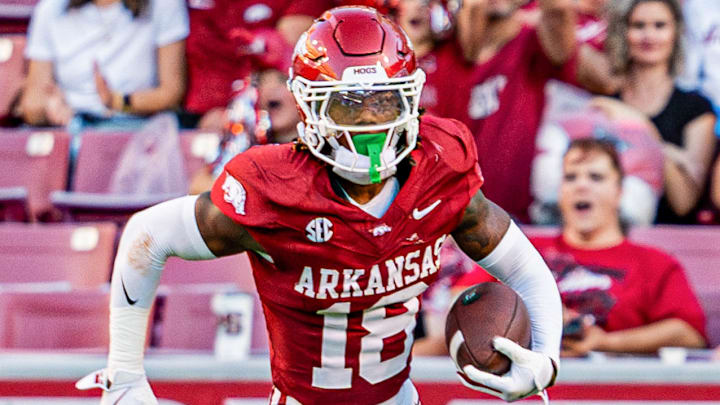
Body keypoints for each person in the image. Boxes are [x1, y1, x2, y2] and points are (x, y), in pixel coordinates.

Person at [75, 7, 563, 405]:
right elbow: (146, 236)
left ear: (410, 100)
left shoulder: (438, 166)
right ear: (310, 106)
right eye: (349, 104)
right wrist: (124, 373)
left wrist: (547, 358)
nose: (369, 124)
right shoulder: (273, 185)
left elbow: (524, 268)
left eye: (385, 103)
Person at [532, 138, 707, 357]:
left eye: (596, 177)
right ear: (560, 191)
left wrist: (604, 341)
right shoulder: (526, 251)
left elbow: (690, 334)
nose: (581, 185)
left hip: (617, 384)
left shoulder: (654, 263)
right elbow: (479, 302)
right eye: (570, 177)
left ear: (620, 191)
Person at [446, 0, 608, 223]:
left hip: (513, 218)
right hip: (449, 214)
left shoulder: (530, 41)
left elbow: (561, 32)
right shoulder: (443, 52)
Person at [607, 0, 717, 223]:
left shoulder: (696, 108)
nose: (649, 35)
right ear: (623, 32)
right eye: (638, 25)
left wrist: (642, 128)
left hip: (675, 239)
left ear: (676, 33)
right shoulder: (608, 103)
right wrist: (673, 154)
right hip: (616, 233)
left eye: (660, 26)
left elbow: (684, 202)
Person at [20, 0, 188, 127]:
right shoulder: (51, 8)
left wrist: (116, 101)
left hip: (136, 126)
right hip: (69, 127)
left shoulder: (164, 4)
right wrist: (49, 108)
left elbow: (172, 93)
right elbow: (32, 102)